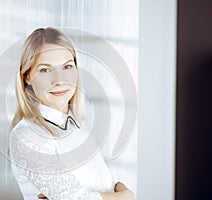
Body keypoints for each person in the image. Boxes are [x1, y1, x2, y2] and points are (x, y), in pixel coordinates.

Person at [9, 27, 134, 200]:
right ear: (27, 76)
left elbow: (104, 187)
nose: (60, 80)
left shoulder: (76, 130)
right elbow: (76, 197)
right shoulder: (27, 135)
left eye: (67, 66)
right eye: (45, 70)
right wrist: (125, 196)